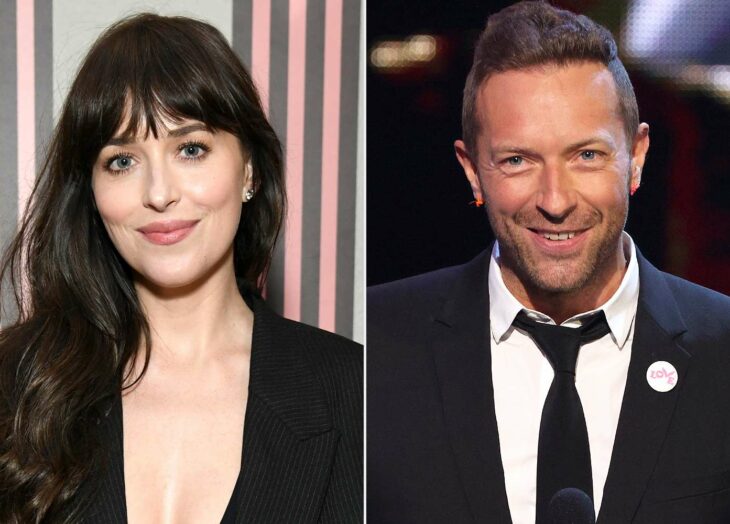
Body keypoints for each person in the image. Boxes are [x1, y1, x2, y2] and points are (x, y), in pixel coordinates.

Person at [368, 2, 730, 523]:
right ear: (472, 170)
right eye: (518, 160)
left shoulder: (722, 351)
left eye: (587, 156)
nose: (555, 201)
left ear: (636, 157)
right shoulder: (370, 351)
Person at [0, 13, 362, 523]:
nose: (159, 193)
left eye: (191, 149)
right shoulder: (16, 384)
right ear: (93, 191)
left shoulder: (354, 390)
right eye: (122, 161)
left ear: (249, 169)